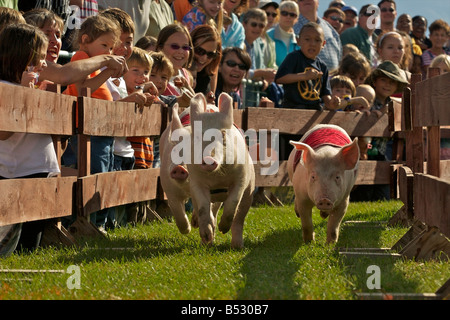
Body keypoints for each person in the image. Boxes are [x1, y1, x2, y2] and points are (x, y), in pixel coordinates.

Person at [0, 24, 58, 256]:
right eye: (40, 58)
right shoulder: (4, 88)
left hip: (38, 169)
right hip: (9, 171)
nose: (44, 64)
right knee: (9, 241)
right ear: (21, 58)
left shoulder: (36, 88)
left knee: (30, 244)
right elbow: (3, 133)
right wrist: (23, 93)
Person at [63, 14, 122, 229]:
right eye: (104, 45)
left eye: (111, 48)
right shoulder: (80, 57)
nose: (108, 52)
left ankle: (97, 223)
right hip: (87, 131)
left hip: (98, 130)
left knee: (102, 172)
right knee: (92, 173)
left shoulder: (91, 62)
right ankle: (83, 222)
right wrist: (106, 71)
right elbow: (82, 90)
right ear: (85, 40)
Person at [123, 47, 157, 225]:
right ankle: (126, 223)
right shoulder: (124, 95)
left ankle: (139, 222)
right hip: (131, 154)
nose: (142, 76)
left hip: (145, 153)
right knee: (129, 195)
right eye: (135, 71)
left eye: (146, 72)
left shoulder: (146, 96)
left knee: (142, 193)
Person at [275, 22, 339, 111]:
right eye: (307, 39)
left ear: (323, 44)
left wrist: (332, 103)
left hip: (315, 111)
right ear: (298, 41)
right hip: (292, 109)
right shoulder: (294, 57)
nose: (312, 43)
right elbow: (279, 78)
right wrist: (304, 76)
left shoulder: (322, 66)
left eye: (317, 40)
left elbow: (325, 94)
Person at [293, 0, 342, 73]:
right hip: (304, 80)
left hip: (332, 80)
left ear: (318, 2)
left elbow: (340, 55)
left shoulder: (329, 28)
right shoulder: (292, 26)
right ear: (297, 3)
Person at [156, 23, 196, 108]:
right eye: (175, 46)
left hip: (190, 121)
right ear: (160, 48)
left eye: (185, 47)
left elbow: (195, 111)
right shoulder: (152, 74)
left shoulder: (186, 74)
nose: (181, 51)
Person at [191, 24, 222, 99]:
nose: (204, 58)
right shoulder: (179, 69)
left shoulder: (210, 70)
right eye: (199, 51)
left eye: (211, 54)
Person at [266, 0, 299, 68]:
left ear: (297, 19)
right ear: (278, 15)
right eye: (284, 13)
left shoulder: (300, 41)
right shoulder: (268, 35)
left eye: (292, 14)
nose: (288, 17)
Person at [259, 0, 278, 70]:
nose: (271, 17)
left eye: (274, 15)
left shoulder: (270, 41)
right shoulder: (250, 36)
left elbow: (273, 66)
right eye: (267, 14)